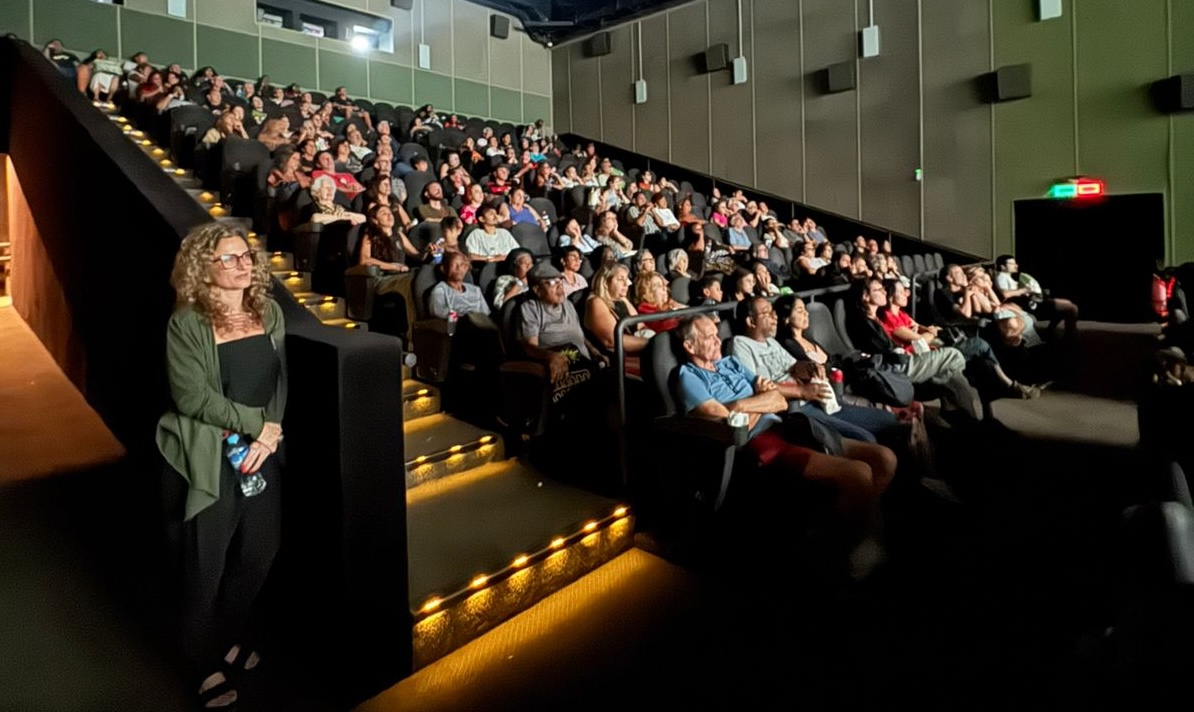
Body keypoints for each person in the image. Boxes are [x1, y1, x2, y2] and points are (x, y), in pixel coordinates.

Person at [156, 224, 286, 710]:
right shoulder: (187, 321)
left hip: (260, 452)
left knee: (260, 552)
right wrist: (255, 424)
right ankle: (200, 661)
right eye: (230, 259)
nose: (243, 265)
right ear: (201, 268)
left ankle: (226, 634)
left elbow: (280, 381)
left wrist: (271, 430)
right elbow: (191, 396)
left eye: (246, 256)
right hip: (206, 454)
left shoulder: (268, 310)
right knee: (203, 566)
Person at [676, 315, 890, 575]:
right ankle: (841, 560)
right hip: (757, 443)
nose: (717, 339)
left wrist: (744, 404)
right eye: (709, 337)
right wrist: (751, 403)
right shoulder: (688, 377)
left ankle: (858, 533)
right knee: (857, 474)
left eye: (715, 333)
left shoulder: (730, 363)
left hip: (787, 425)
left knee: (883, 459)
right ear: (690, 347)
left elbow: (778, 400)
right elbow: (726, 419)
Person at [731, 297, 900, 450]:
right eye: (767, 313)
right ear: (751, 321)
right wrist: (802, 391)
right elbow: (757, 385)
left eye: (773, 312)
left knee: (889, 421)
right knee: (865, 439)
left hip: (815, 399)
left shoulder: (771, 342)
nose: (775, 317)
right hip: (794, 411)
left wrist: (810, 367)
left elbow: (794, 366)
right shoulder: (740, 344)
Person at [845, 277, 978, 420]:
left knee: (954, 378)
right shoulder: (863, 322)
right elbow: (885, 351)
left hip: (902, 360)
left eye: (883, 289)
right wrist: (903, 351)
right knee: (953, 355)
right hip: (896, 368)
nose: (884, 292)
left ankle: (970, 423)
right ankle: (959, 411)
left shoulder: (874, 318)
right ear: (865, 296)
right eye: (878, 289)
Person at [994, 254, 1079, 341]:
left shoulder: (1008, 277)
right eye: (1012, 264)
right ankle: (1069, 337)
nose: (1016, 265)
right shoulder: (1001, 277)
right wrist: (1023, 290)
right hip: (1029, 305)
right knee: (1071, 308)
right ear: (1003, 266)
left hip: (1031, 302)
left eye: (1015, 263)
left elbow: (1014, 292)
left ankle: (1050, 331)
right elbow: (1005, 294)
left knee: (1068, 305)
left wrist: (1026, 290)